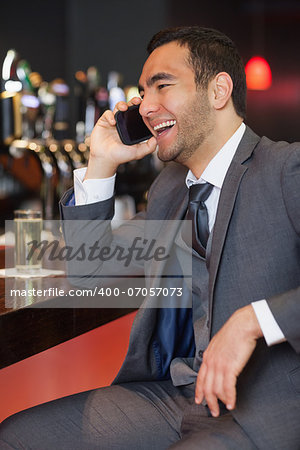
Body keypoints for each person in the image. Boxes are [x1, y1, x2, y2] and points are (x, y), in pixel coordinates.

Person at [0, 26, 299, 450]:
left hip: (265, 408)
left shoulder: (286, 169)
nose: (144, 106)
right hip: (176, 398)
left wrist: (252, 322)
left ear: (219, 90)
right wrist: (101, 163)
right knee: (15, 437)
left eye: (162, 85)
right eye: (143, 91)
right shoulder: (171, 191)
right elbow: (89, 274)